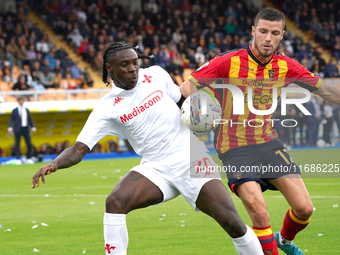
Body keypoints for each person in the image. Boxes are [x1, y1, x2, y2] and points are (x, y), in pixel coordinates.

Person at [31, 41, 263, 255]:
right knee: (115, 201)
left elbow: (180, 102)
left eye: (135, 62)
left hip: (189, 157)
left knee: (231, 222)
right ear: (109, 69)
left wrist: (203, 115)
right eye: (125, 64)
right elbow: (78, 149)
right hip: (155, 167)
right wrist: (54, 163)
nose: (133, 69)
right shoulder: (106, 108)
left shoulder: (156, 75)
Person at [181, 8, 340, 255]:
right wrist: (210, 104)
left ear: (282, 36)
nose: (268, 38)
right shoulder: (228, 61)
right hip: (234, 148)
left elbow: (326, 91)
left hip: (268, 143)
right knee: (260, 213)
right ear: (254, 31)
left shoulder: (286, 66)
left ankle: (284, 242)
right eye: (263, 31)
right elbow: (187, 87)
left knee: (304, 209)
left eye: (274, 33)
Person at [8, 96, 36, 164]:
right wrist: (9, 127)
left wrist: (33, 127)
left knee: (29, 144)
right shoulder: (15, 110)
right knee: (17, 144)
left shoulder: (26, 109)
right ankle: (18, 159)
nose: (21, 101)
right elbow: (11, 119)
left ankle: (28, 158)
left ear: (24, 101)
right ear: (18, 101)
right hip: (18, 129)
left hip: (25, 128)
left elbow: (29, 119)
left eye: (22, 100)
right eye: (20, 100)